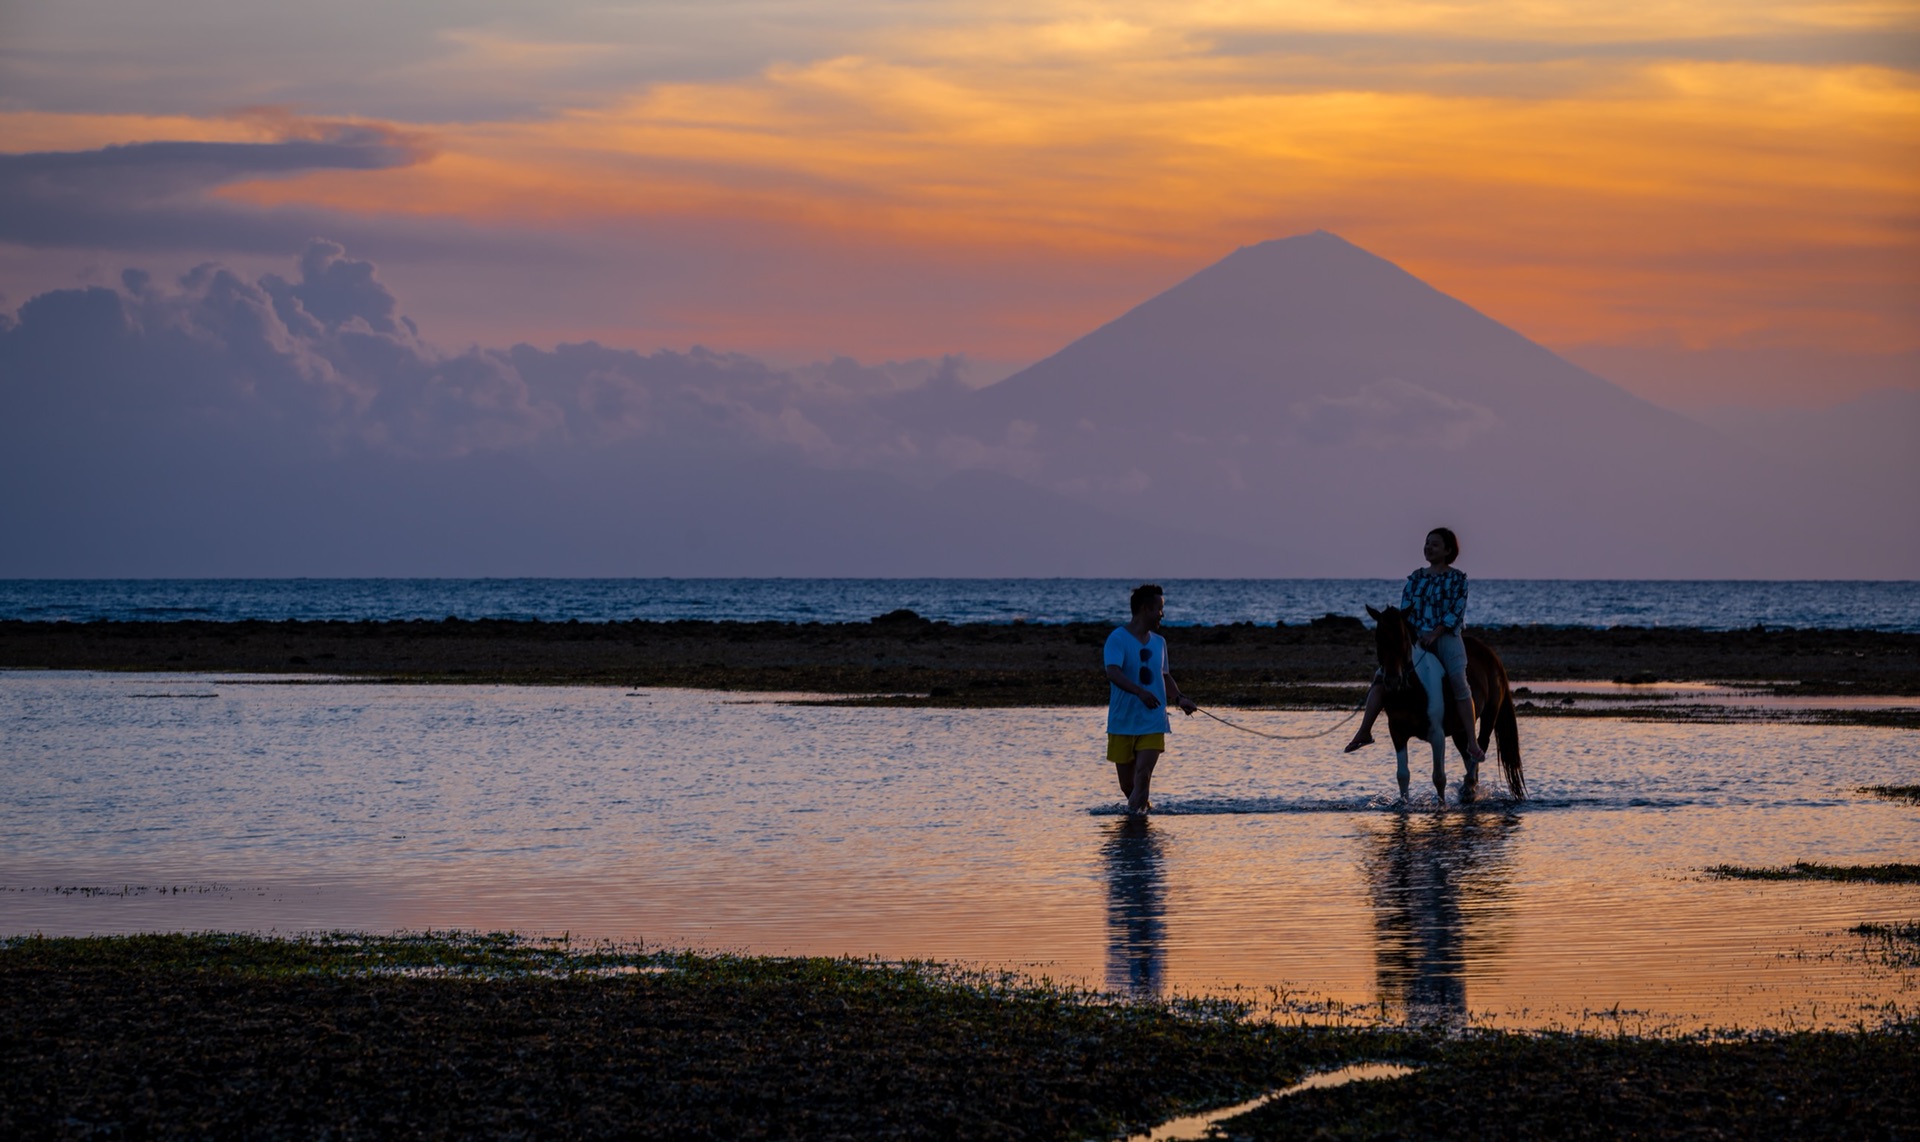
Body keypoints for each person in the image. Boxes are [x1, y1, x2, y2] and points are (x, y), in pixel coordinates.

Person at [1344, 528, 1485, 764]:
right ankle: (1364, 731)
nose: (1429, 548)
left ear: (1448, 550)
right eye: (1427, 543)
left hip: (1446, 637)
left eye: (1435, 545)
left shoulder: (1457, 579)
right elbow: (1405, 612)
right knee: (1381, 677)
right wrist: (1411, 636)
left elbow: (1455, 612)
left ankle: (1471, 742)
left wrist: (1436, 633)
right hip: (1417, 638)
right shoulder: (1415, 578)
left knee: (1459, 681)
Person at [1104, 583, 1196, 815]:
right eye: (1159, 609)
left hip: (1153, 720)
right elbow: (1113, 672)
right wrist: (1140, 692)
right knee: (1128, 786)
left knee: (1143, 775)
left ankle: (1138, 835)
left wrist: (1179, 698)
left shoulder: (1159, 642)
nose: (1162, 614)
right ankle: (1141, 819)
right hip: (1122, 721)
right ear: (1145, 609)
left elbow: (1164, 676)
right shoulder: (1117, 638)